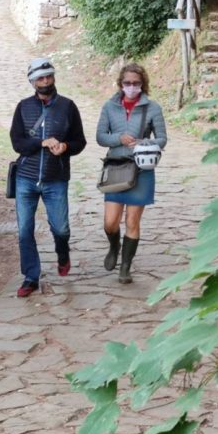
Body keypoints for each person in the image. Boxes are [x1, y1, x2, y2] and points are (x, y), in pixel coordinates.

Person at [9, 58, 87, 297]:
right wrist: (41, 142)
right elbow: (17, 142)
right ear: (32, 81)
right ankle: (31, 277)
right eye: (40, 78)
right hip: (26, 178)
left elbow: (79, 142)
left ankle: (62, 252)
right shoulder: (23, 107)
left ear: (54, 78)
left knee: (61, 228)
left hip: (56, 178)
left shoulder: (68, 106)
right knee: (24, 230)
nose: (45, 81)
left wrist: (65, 146)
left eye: (48, 77)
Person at [96, 60, 167, 284]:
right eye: (127, 82)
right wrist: (118, 138)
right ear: (121, 84)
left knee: (133, 221)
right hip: (116, 167)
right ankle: (114, 246)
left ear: (143, 85)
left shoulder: (152, 108)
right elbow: (100, 137)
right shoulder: (109, 107)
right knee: (110, 222)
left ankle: (125, 267)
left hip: (141, 170)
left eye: (136, 83)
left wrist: (143, 142)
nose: (131, 86)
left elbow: (162, 139)